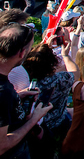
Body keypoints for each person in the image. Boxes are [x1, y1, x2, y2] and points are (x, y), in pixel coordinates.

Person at [0, 21, 53, 159]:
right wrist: (34, 118)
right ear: (22, 53)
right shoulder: (3, 92)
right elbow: (2, 146)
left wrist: (18, 96)